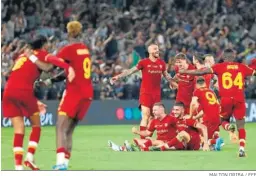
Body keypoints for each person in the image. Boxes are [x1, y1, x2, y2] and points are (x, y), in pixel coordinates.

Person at [2, 36, 74, 170]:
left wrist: (35, 100)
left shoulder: (23, 56)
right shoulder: (42, 54)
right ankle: (29, 157)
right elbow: (53, 64)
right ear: (43, 45)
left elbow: (17, 75)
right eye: (48, 43)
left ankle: (18, 167)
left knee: (19, 130)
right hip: (24, 92)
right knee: (36, 126)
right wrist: (68, 67)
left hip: (8, 92)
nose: (50, 46)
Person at [179, 48, 256, 157]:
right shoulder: (241, 67)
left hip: (226, 99)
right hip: (239, 99)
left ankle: (228, 127)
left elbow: (201, 71)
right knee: (241, 125)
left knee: (222, 119)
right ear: (234, 56)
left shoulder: (219, 67)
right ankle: (242, 148)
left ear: (223, 57)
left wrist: (185, 71)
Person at [52, 21, 93, 170]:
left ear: (68, 32)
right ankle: (65, 165)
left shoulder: (68, 49)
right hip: (87, 94)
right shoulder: (84, 49)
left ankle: (60, 162)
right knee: (69, 130)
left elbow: (53, 65)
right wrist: (55, 79)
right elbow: (71, 71)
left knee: (60, 127)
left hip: (74, 92)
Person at [111, 44, 174, 139]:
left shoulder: (161, 63)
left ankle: (148, 139)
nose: (157, 51)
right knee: (146, 115)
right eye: (155, 49)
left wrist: (172, 81)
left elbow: (166, 75)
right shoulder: (143, 62)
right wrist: (118, 76)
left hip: (156, 94)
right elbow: (131, 71)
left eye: (157, 49)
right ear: (149, 51)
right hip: (145, 93)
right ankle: (142, 141)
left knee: (154, 117)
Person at [108, 102, 184, 152]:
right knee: (139, 140)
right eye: (153, 110)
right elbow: (148, 133)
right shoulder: (154, 121)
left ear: (162, 110)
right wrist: (137, 132)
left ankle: (128, 148)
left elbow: (182, 133)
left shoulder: (172, 119)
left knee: (152, 142)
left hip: (169, 144)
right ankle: (121, 148)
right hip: (158, 143)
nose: (153, 112)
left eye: (155, 110)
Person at [190, 77, 224, 151]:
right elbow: (216, 105)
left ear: (196, 85)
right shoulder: (211, 92)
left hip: (209, 118)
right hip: (218, 116)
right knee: (212, 133)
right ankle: (215, 140)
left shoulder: (197, 91)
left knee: (202, 142)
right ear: (205, 83)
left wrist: (190, 116)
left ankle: (215, 141)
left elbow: (193, 104)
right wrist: (195, 117)